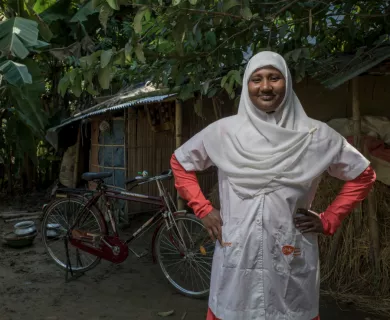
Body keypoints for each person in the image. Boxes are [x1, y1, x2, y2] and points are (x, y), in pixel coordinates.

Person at [170, 51, 376, 320]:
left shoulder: (315, 136)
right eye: (257, 79)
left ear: (287, 83)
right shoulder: (223, 132)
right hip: (237, 251)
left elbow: (363, 174)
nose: (265, 86)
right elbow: (181, 162)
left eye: (274, 78)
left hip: (291, 250)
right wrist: (203, 209)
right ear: (247, 86)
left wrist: (329, 219)